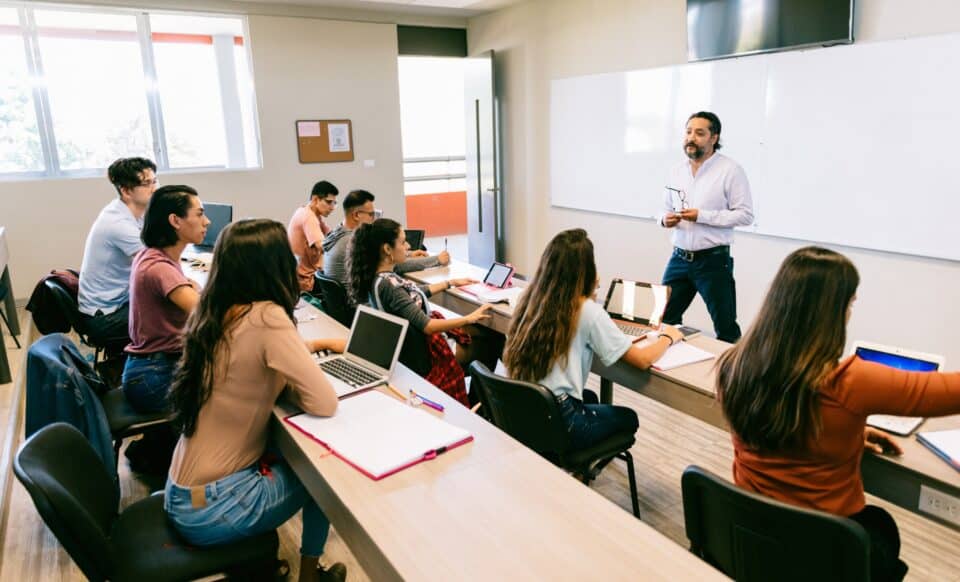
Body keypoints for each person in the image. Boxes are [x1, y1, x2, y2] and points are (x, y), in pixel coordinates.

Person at [716, 246, 960, 582]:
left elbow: (785, 425)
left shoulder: (733, 365)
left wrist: (849, 433)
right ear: (832, 311)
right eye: (850, 303)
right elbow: (950, 393)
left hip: (753, 537)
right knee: (880, 527)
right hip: (822, 554)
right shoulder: (850, 382)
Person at [164, 219, 348, 582]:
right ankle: (311, 576)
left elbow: (248, 363)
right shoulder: (267, 315)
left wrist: (305, 352)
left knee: (295, 453)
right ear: (274, 265)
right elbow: (324, 403)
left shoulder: (215, 310)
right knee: (324, 475)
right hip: (215, 506)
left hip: (183, 493)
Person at [504, 228, 683, 451]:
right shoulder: (587, 310)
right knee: (629, 418)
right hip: (561, 419)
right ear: (586, 271)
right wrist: (668, 337)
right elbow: (643, 360)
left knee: (590, 396)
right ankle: (578, 469)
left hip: (525, 409)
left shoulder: (529, 298)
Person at [346, 218, 489, 406]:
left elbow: (412, 296)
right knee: (489, 341)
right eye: (403, 242)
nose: (408, 246)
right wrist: (468, 318)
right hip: (426, 355)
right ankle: (476, 404)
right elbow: (428, 326)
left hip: (408, 351)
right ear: (387, 249)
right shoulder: (390, 286)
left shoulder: (378, 277)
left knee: (478, 334)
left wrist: (449, 283)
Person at [659, 111, 753, 343]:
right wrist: (664, 219)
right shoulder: (676, 170)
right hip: (679, 259)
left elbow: (745, 215)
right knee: (663, 319)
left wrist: (702, 216)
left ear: (714, 138)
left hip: (713, 262)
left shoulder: (730, 170)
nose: (692, 138)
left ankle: (732, 377)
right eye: (689, 132)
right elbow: (663, 208)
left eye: (700, 133)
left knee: (726, 327)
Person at [122, 185, 208, 414]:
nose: (207, 221)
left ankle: (156, 445)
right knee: (243, 389)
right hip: (155, 378)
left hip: (150, 369)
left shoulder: (154, 255)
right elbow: (209, 314)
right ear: (175, 221)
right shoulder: (160, 268)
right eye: (199, 214)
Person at [78, 157, 158, 351]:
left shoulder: (129, 212)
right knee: (175, 316)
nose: (155, 188)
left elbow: (155, 248)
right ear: (126, 190)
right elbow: (156, 264)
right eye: (147, 183)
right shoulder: (118, 223)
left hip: (117, 303)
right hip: (106, 319)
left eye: (155, 181)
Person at [322, 189, 449, 286]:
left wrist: (408, 253)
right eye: (371, 214)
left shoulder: (338, 233)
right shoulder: (353, 242)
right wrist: (437, 259)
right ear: (356, 215)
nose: (374, 219)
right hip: (359, 307)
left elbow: (382, 257)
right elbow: (394, 265)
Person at [289, 180, 339, 293]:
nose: (332, 207)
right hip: (307, 282)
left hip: (302, 277)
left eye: (334, 203)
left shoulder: (307, 212)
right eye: (329, 202)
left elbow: (332, 235)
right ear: (316, 199)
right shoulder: (308, 217)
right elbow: (323, 246)